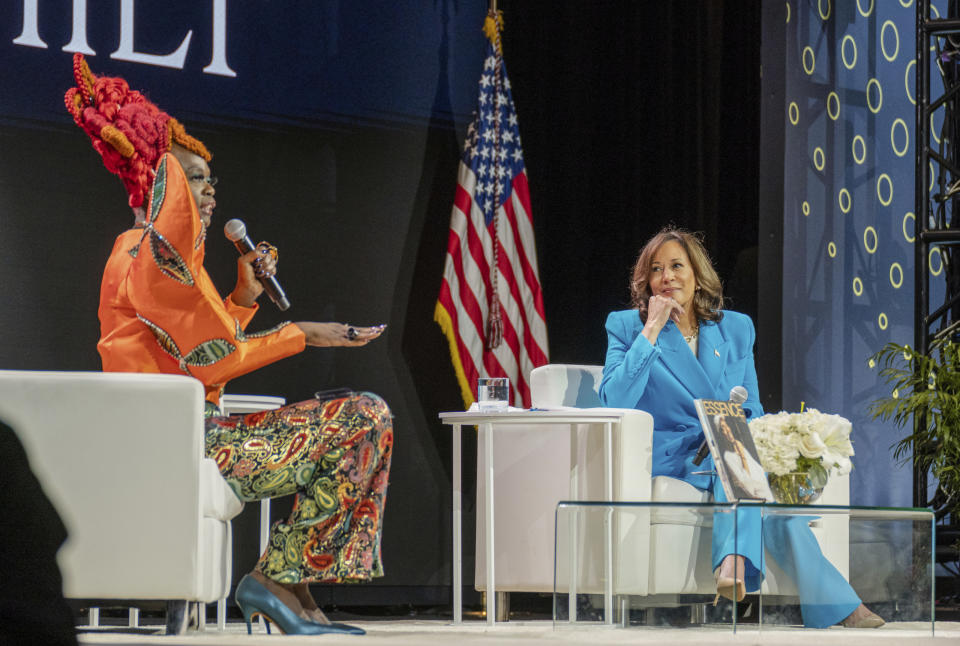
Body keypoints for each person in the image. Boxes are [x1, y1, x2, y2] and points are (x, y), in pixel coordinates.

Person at [65, 54, 392, 636]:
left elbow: (209, 355)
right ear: (159, 183)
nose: (210, 192)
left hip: (199, 432)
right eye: (195, 180)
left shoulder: (167, 263)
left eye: (211, 181)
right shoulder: (142, 256)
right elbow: (222, 357)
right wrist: (304, 334)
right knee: (361, 417)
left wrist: (244, 294)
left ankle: (286, 582)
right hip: (179, 444)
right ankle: (277, 581)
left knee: (362, 420)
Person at [599, 227, 883, 629]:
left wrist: (735, 426)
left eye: (677, 266)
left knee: (753, 473)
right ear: (645, 282)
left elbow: (750, 406)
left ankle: (817, 596)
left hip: (728, 446)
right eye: (656, 269)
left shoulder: (734, 329)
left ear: (696, 274)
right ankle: (756, 568)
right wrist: (651, 331)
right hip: (675, 454)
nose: (667, 277)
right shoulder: (627, 327)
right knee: (741, 465)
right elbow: (615, 399)